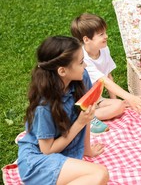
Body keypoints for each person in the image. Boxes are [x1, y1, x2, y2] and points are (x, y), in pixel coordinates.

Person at [17, 36, 109, 184]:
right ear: (62, 71)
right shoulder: (44, 106)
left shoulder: (81, 78)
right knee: (100, 174)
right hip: (39, 161)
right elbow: (47, 150)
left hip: (65, 152)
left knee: (99, 175)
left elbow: (85, 114)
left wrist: (87, 150)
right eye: (80, 62)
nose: (85, 65)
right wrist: (79, 123)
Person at [71, 13, 141, 134]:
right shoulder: (83, 58)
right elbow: (105, 81)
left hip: (96, 100)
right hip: (77, 100)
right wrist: (130, 97)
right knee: (124, 102)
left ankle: (89, 116)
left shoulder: (104, 49)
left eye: (105, 32)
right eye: (101, 34)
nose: (106, 36)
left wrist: (116, 100)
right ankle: (81, 118)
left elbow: (108, 75)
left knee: (120, 106)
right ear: (86, 39)